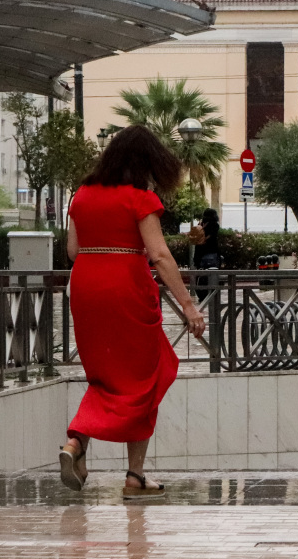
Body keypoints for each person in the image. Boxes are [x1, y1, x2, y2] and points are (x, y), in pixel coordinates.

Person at [59, 125, 206, 500]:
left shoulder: (81, 195)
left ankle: (76, 442)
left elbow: (74, 251)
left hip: (87, 288)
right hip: (126, 288)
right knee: (145, 375)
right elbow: (159, 255)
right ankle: (134, 475)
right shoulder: (139, 198)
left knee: (106, 376)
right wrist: (189, 306)